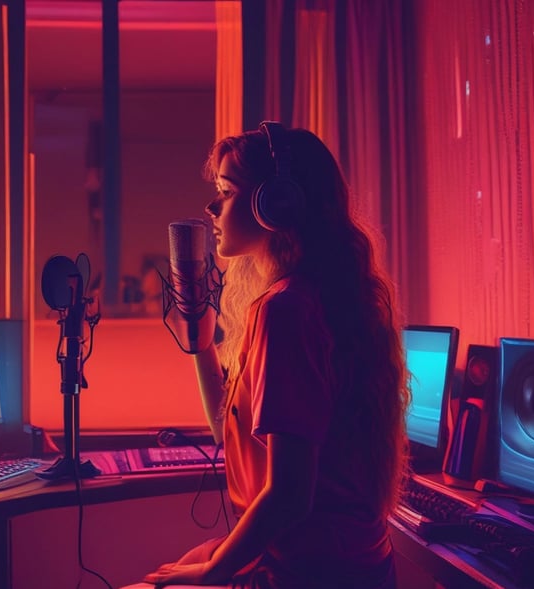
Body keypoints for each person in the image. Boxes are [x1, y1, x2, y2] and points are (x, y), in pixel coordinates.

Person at [140, 122, 410, 588]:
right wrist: (201, 343)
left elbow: (289, 495)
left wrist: (215, 571)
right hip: (349, 566)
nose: (211, 207)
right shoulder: (316, 298)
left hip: (308, 574)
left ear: (276, 204)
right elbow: (229, 433)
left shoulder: (286, 310)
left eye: (226, 191)